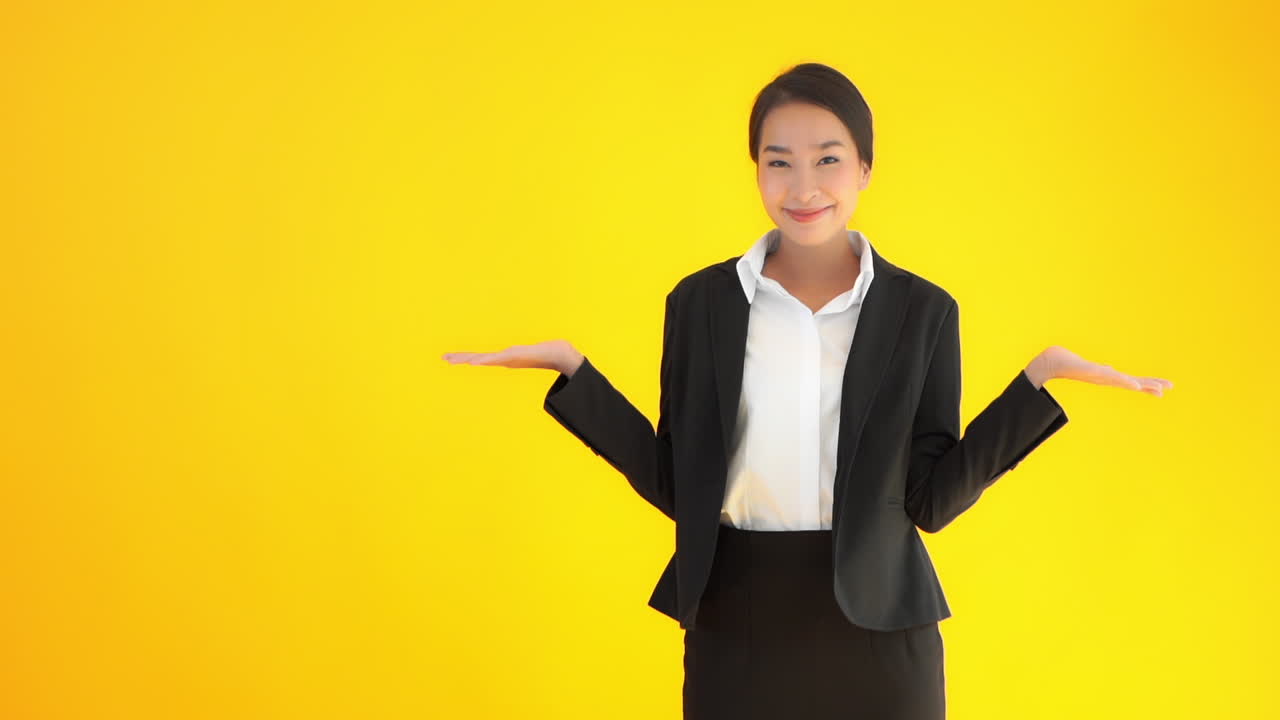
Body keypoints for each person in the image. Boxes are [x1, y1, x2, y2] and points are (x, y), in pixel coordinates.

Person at [443, 62, 1172, 720]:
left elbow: (931, 500)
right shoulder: (699, 304)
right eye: (778, 162)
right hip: (738, 620)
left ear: (865, 169)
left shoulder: (923, 311)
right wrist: (575, 374)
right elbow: (681, 483)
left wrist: (1037, 383)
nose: (803, 187)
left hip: (881, 627)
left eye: (827, 160)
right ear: (755, 171)